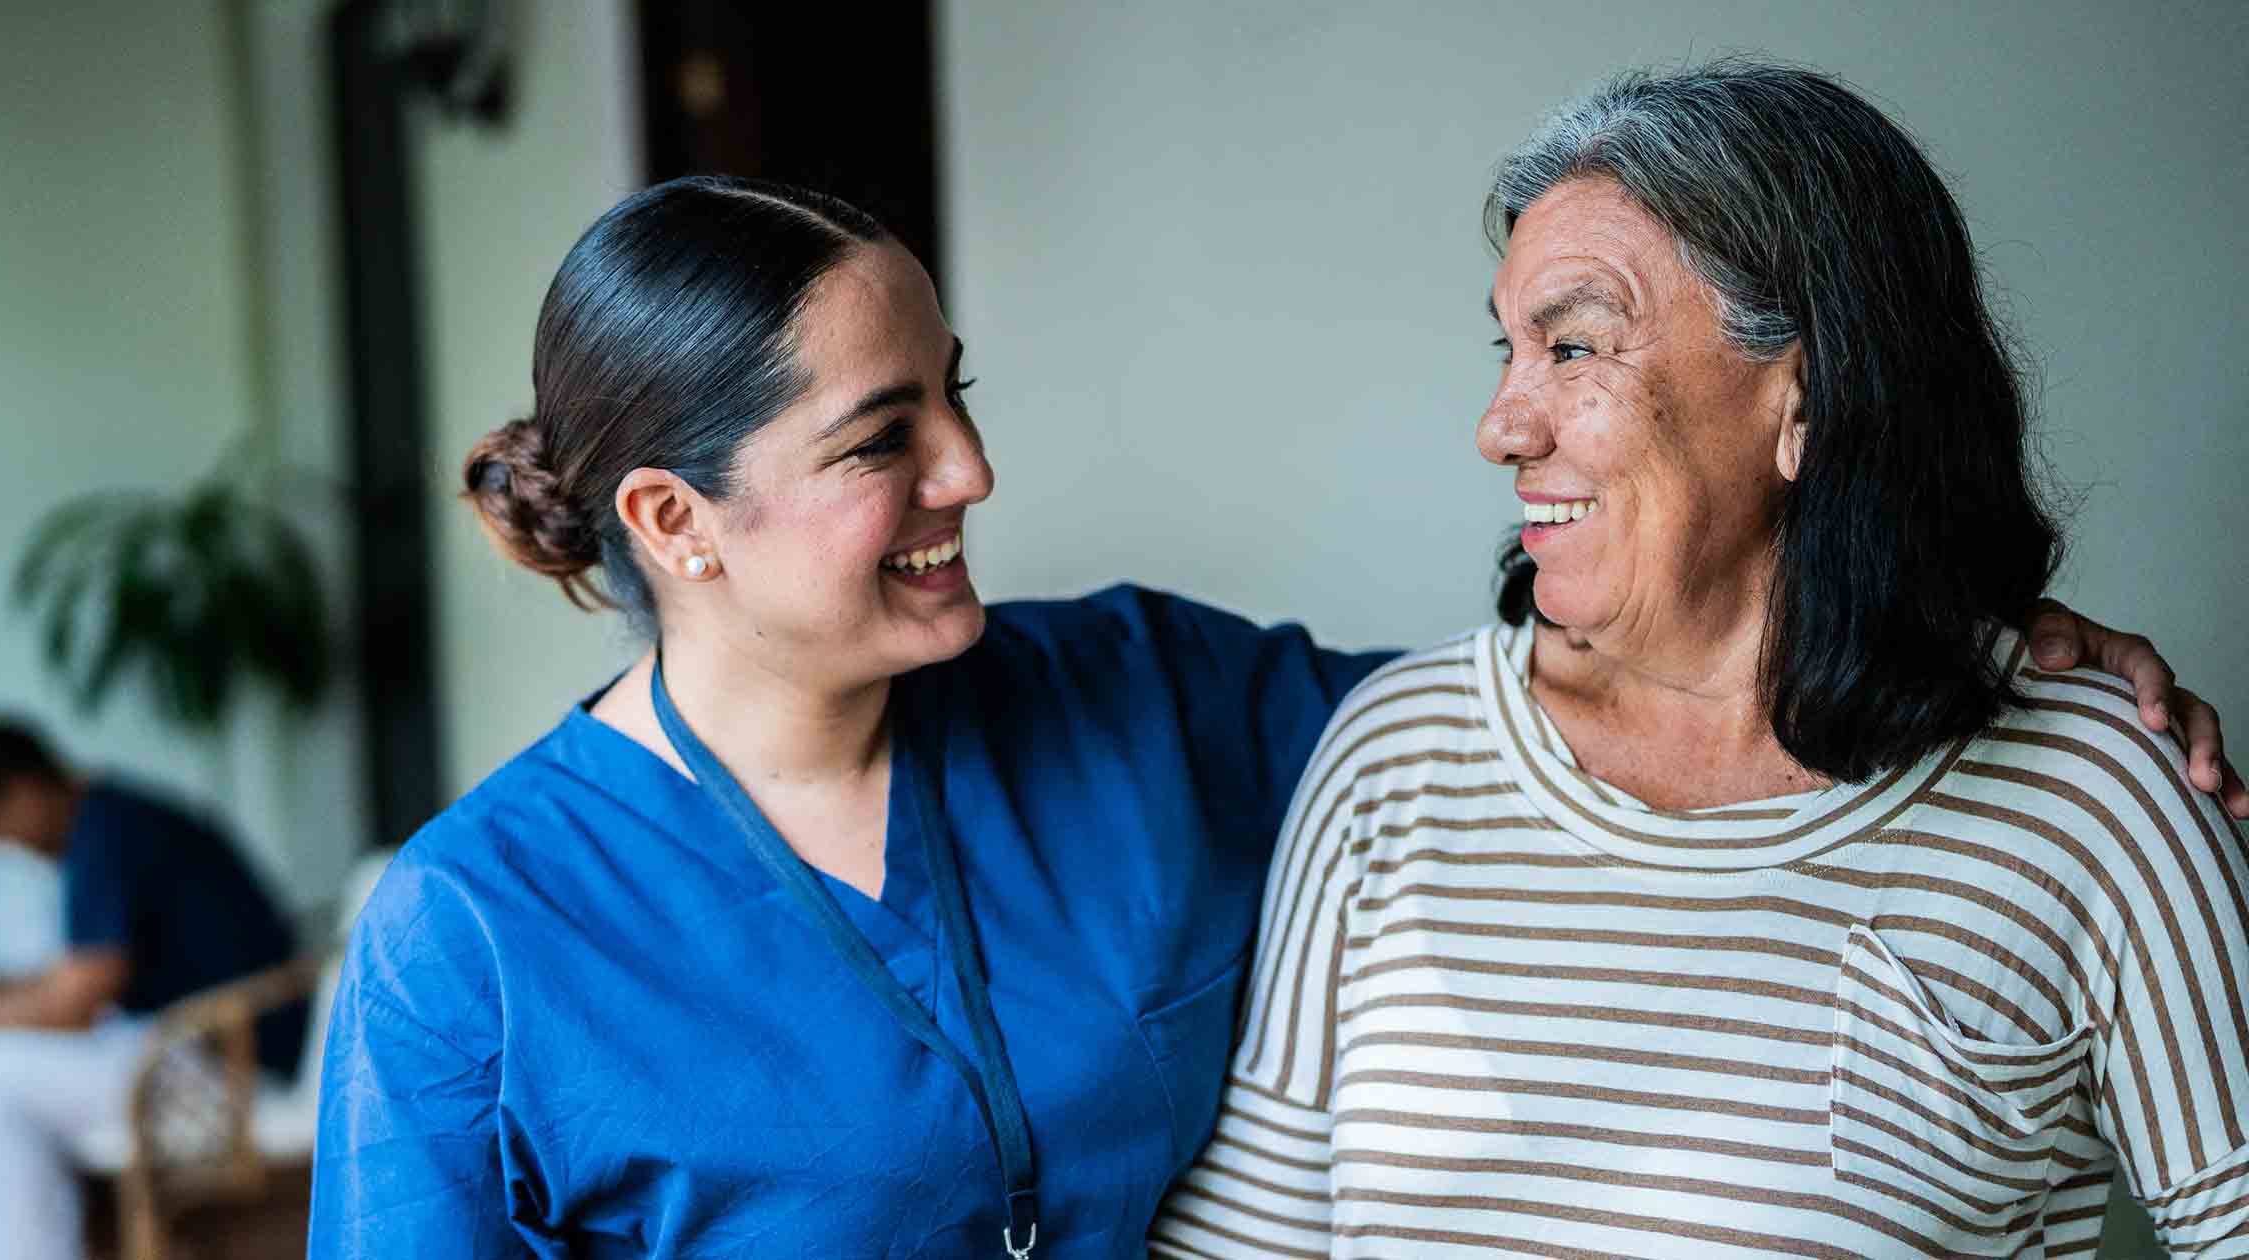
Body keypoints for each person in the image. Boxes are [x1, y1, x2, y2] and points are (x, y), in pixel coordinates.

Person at [310, 174, 2242, 1259]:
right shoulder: (470, 938)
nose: (974, 468)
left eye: (957, 394)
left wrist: (1946, 617)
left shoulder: (1161, 695)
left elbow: (1603, 708)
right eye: (884, 438)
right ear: (675, 522)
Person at [1151, 61, 2249, 1259]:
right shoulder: (1397, 750)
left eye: (1572, 348)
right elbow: (1248, 1241)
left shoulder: (2097, 795)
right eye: (1509, 350)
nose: (1501, 424)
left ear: (1808, 393)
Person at [0, 717, 305, 1260]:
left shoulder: (106, 829)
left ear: (23, 791)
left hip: (228, 1063)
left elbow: (75, 1002)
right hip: (195, 1047)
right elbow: (76, 976)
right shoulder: (113, 817)